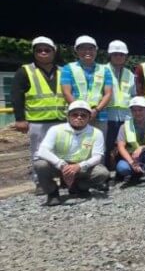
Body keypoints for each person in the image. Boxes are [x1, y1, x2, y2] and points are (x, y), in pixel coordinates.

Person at [11, 36, 66, 191]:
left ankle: (64, 179)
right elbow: (16, 95)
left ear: (54, 52)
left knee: (62, 151)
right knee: (38, 153)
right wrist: (20, 118)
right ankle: (41, 183)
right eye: (39, 50)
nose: (43, 53)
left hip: (61, 119)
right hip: (38, 121)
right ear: (34, 52)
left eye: (47, 50)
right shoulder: (25, 71)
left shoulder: (62, 71)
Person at [34, 100, 109, 206]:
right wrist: (62, 165)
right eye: (75, 114)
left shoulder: (96, 133)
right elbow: (42, 151)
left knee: (102, 173)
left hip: (80, 167)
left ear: (89, 117)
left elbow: (97, 157)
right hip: (59, 165)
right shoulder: (55, 129)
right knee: (40, 165)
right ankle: (52, 193)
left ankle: (79, 187)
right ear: (68, 116)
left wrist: (79, 166)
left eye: (83, 115)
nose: (79, 117)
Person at [61, 35, 113, 134]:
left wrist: (96, 110)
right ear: (76, 51)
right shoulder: (68, 68)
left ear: (96, 51)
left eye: (91, 48)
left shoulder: (105, 70)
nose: (87, 51)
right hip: (76, 116)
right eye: (83, 48)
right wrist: (81, 111)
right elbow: (66, 92)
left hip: (99, 115)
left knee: (98, 145)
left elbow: (108, 93)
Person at [105, 40, 136, 165]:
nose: (118, 57)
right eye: (115, 54)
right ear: (110, 55)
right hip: (107, 114)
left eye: (122, 54)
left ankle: (121, 169)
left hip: (126, 116)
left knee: (124, 143)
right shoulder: (102, 70)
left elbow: (133, 95)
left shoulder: (130, 74)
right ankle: (105, 169)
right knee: (107, 143)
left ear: (126, 57)